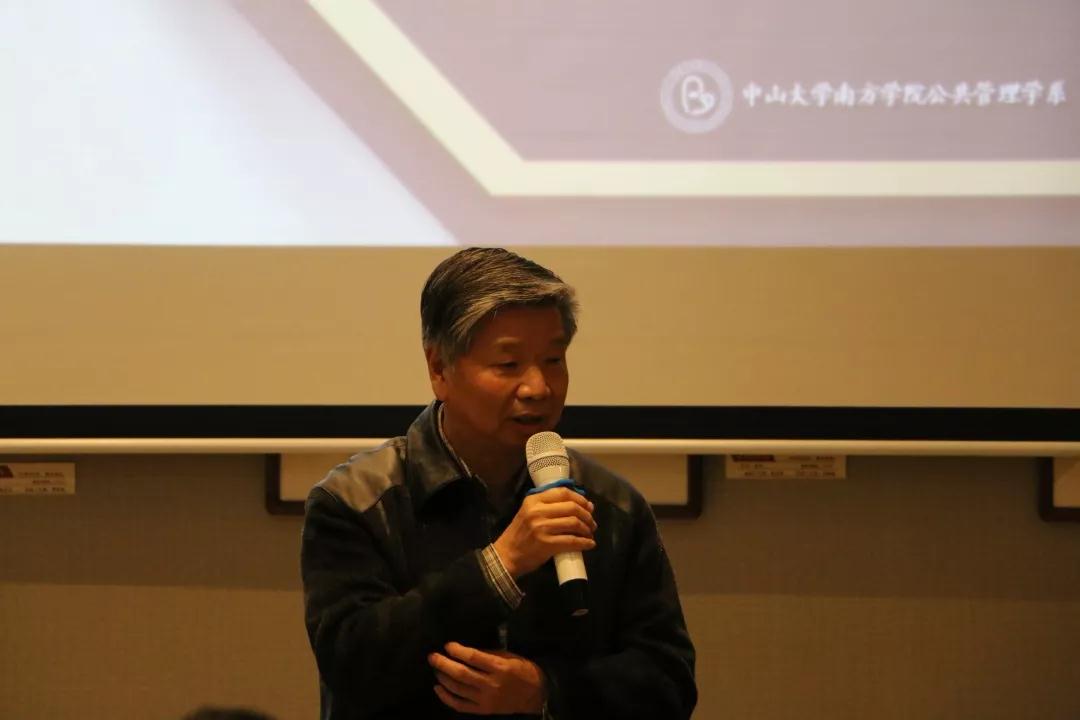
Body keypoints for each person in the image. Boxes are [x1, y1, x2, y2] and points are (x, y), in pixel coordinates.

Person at [301, 248, 696, 719]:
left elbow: (669, 683)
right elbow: (352, 667)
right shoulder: (355, 500)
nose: (538, 388)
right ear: (439, 369)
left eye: (554, 360)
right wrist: (500, 565)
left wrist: (545, 691)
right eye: (509, 365)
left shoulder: (613, 505)